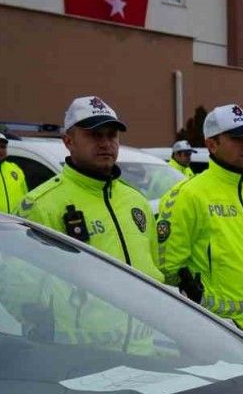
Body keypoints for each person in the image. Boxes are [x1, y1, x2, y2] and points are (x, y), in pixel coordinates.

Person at [156, 104, 243, 345]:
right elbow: (167, 267)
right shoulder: (188, 194)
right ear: (212, 144)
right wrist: (196, 300)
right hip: (213, 329)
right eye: (237, 138)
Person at [17, 97, 161, 279]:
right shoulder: (40, 206)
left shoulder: (136, 200)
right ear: (68, 142)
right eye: (95, 135)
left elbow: (154, 267)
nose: (106, 143)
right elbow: (20, 283)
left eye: (112, 135)